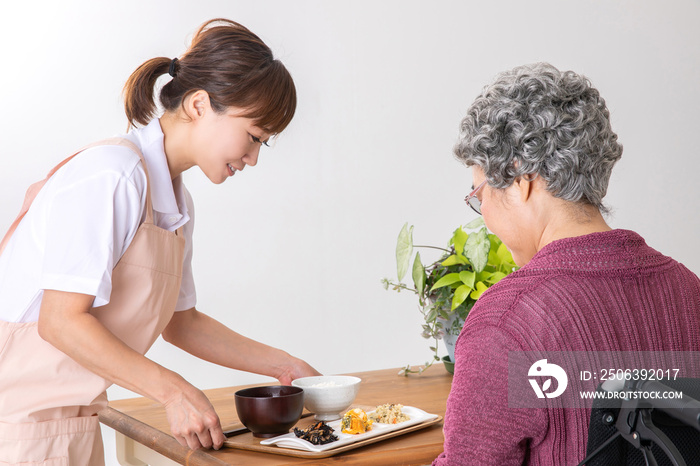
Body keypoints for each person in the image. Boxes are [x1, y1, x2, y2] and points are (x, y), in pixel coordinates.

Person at [0, 18, 320, 465]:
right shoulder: (113, 174)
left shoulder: (171, 199)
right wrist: (175, 392)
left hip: (68, 425)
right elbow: (60, 321)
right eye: (252, 136)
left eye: (263, 144)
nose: (252, 158)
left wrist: (285, 366)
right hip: (16, 430)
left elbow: (181, 323)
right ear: (198, 104)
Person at [433, 63, 700, 465]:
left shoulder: (506, 323)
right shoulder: (688, 289)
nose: (481, 213)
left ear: (521, 181)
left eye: (479, 194)